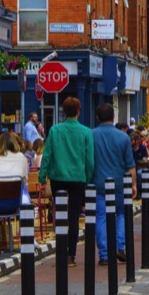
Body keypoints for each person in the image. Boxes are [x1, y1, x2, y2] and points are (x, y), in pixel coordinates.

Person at [38, 96, 96, 261]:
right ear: (78, 111)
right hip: (78, 179)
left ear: (63, 112)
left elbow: (47, 156)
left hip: (58, 178)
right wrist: (88, 178)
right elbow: (89, 160)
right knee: (74, 216)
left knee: (60, 215)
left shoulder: (55, 131)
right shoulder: (86, 132)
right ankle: (71, 254)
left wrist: (42, 178)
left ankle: (61, 250)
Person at [93, 103, 136, 266]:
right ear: (113, 117)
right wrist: (134, 184)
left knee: (101, 217)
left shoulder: (91, 135)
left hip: (98, 183)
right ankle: (119, 246)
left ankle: (104, 254)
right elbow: (130, 165)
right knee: (122, 214)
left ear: (97, 117)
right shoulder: (124, 137)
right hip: (119, 183)